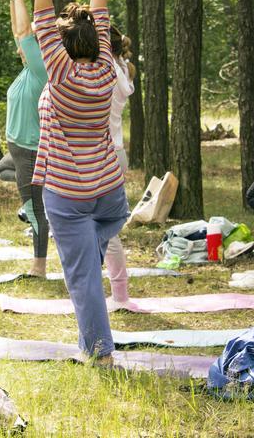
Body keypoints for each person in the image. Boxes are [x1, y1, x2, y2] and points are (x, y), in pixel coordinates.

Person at [32, 0, 129, 362]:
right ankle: (93, 338)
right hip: (110, 195)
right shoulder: (107, 68)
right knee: (90, 258)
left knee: (83, 275)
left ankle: (100, 351)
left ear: (65, 50)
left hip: (69, 196)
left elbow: (41, 25)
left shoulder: (63, 76)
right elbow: (102, 15)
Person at [5, 0, 50, 278]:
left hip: (30, 150)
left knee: (35, 209)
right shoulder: (29, 68)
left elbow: (23, 33)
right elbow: (18, 33)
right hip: (19, 149)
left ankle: (39, 267)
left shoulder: (43, 68)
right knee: (2, 171)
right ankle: (36, 213)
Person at [104, 26, 135, 302]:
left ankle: (120, 293)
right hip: (117, 151)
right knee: (105, 228)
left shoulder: (109, 72)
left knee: (104, 228)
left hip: (108, 154)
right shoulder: (120, 69)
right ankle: (119, 291)